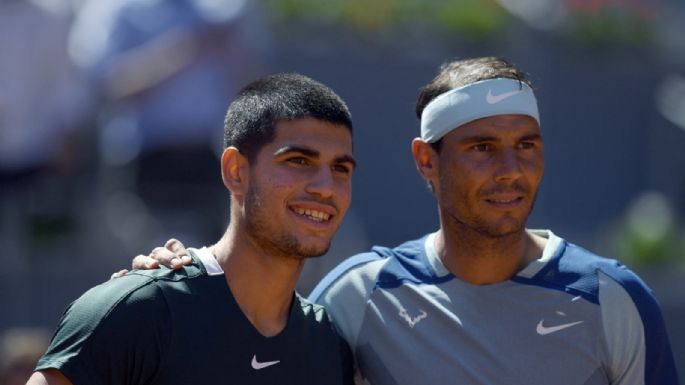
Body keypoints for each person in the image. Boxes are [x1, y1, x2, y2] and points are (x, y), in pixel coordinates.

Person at [129, 57, 680, 385]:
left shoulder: (614, 301)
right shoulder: (358, 295)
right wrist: (176, 279)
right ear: (426, 161)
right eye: (483, 147)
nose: (511, 171)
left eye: (526, 146)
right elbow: (249, 339)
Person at [26, 73, 356, 385]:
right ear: (235, 171)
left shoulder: (327, 342)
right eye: (299, 161)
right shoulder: (137, 309)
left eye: (341, 168)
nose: (325, 187)